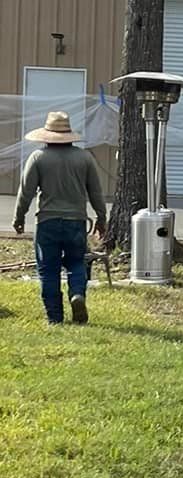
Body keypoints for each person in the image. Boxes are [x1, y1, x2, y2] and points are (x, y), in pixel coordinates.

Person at [11, 109, 108, 325]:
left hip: (47, 221)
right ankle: (77, 294)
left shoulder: (38, 157)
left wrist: (19, 218)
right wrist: (102, 218)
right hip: (76, 222)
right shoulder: (85, 158)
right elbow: (95, 192)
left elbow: (25, 191)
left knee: (48, 270)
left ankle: (55, 317)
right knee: (76, 263)